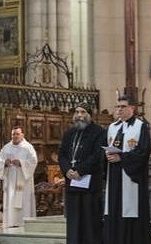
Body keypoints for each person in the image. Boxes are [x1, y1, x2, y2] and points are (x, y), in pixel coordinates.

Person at [103, 95, 151, 244]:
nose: (119, 110)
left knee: (130, 211)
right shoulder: (112, 127)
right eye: (117, 107)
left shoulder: (140, 126)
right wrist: (108, 156)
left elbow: (143, 152)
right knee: (114, 209)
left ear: (132, 108)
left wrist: (121, 158)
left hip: (131, 178)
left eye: (123, 107)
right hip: (114, 177)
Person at [58, 103, 107, 244]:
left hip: (90, 185)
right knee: (73, 222)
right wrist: (67, 170)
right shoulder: (69, 133)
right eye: (77, 112)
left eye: (83, 112)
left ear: (89, 115)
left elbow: (97, 155)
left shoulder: (99, 132)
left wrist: (80, 170)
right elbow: (62, 154)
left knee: (90, 223)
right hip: (72, 183)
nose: (79, 115)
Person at [0, 126, 38, 228]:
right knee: (11, 199)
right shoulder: (6, 147)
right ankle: (11, 222)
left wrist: (21, 163)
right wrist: (4, 163)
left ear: (22, 135)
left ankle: (24, 222)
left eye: (17, 134)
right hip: (10, 181)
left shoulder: (28, 147)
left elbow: (33, 161)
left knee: (23, 201)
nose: (15, 136)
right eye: (13, 134)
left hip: (23, 180)